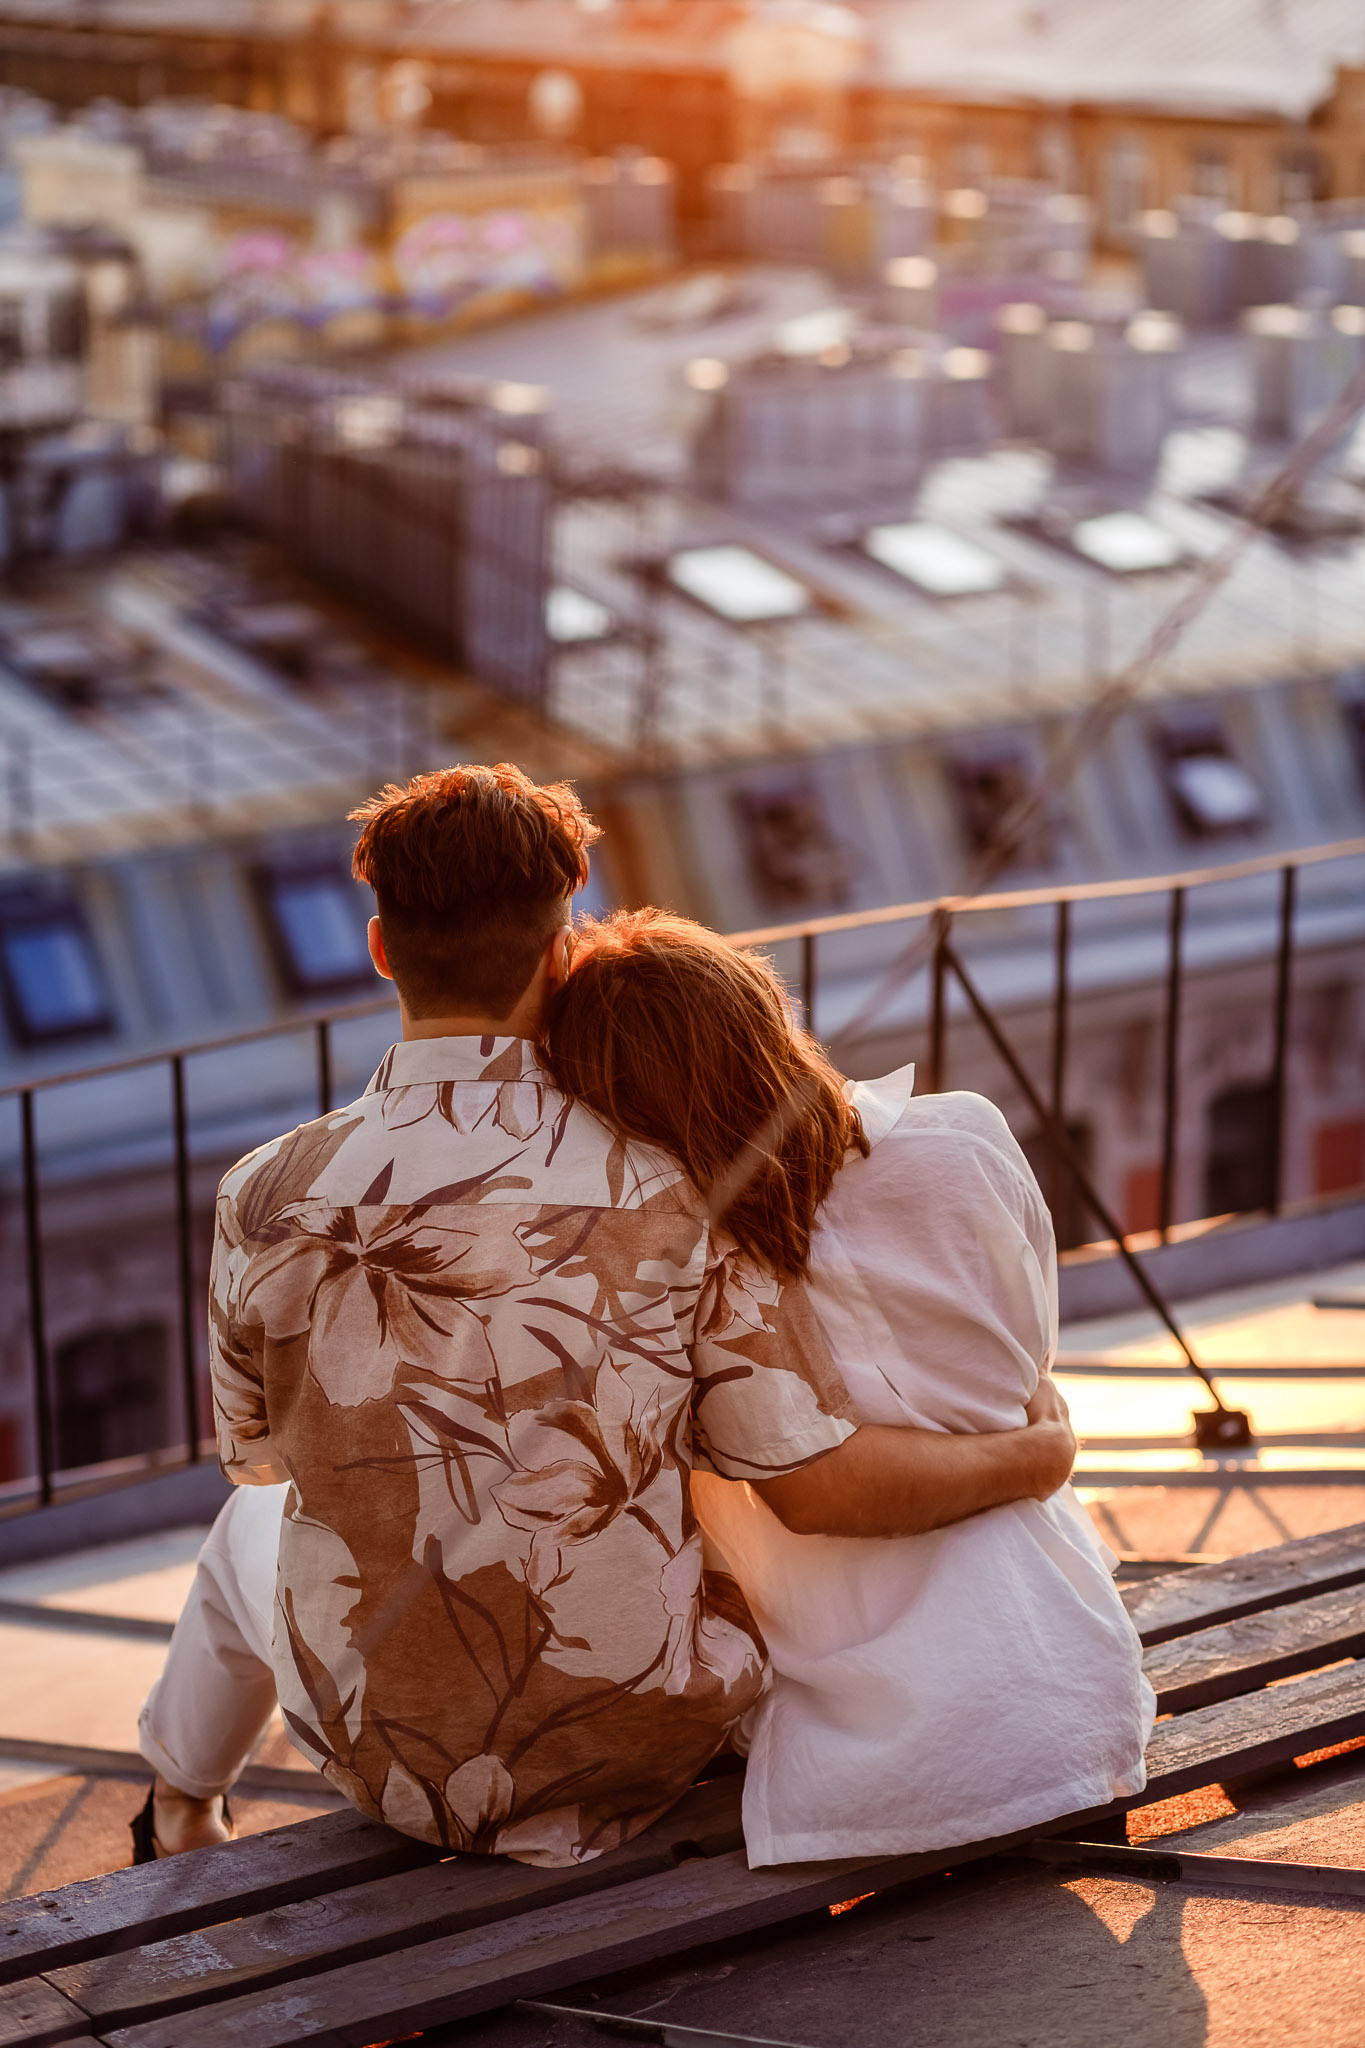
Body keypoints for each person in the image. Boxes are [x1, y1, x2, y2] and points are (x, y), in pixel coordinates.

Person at [135, 764, 1076, 1864]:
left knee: (246, 1526)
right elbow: (809, 1478)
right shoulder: (668, 1182)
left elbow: (258, 1457)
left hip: (384, 1757)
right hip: (645, 1731)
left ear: (382, 947)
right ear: (565, 927)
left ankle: (184, 1809)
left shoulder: (263, 1193)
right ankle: (186, 1801)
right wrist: (1039, 1454)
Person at [542, 907, 1155, 1867]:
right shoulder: (966, 1138)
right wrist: (1037, 1453)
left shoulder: (686, 1264)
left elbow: (825, 1492)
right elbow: (1026, 1368)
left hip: (884, 1753)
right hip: (1079, 1686)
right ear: (769, 1015)